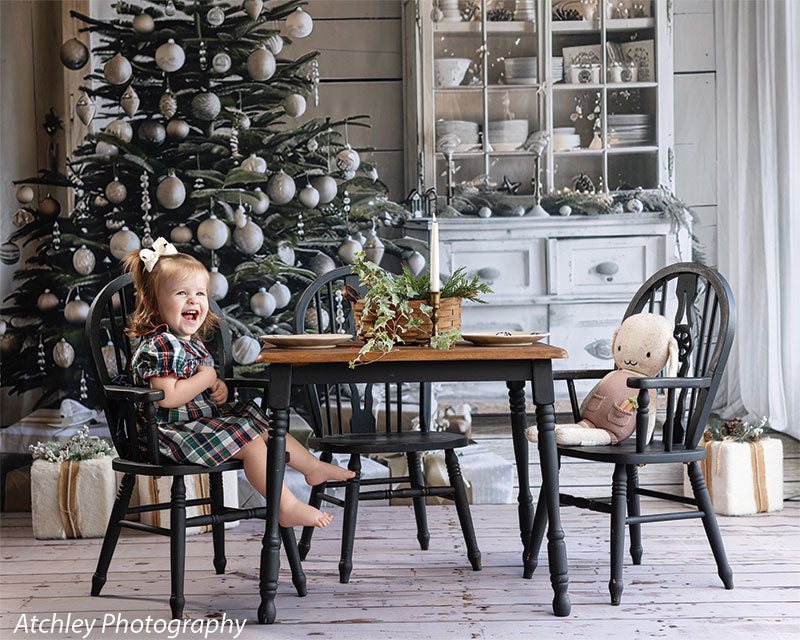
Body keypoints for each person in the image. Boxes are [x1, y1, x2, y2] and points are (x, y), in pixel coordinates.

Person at [124, 237, 354, 528]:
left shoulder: (188, 343)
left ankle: (311, 466)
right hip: (168, 435)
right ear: (156, 304)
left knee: (255, 418)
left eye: (200, 293)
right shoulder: (162, 345)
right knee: (249, 438)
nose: (194, 300)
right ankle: (286, 505)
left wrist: (215, 388)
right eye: (181, 293)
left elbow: (195, 387)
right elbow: (168, 397)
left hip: (195, 425)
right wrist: (206, 377)